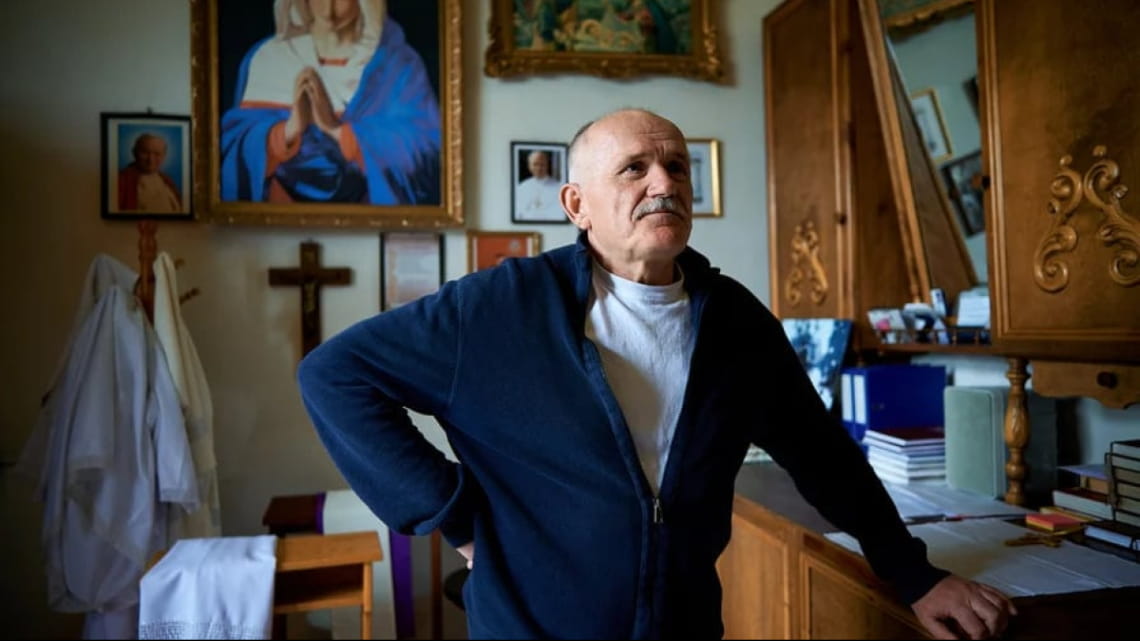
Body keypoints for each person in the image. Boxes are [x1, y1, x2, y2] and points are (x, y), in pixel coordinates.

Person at [297, 108, 1017, 639]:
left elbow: (823, 455)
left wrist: (914, 575)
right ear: (576, 205)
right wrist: (455, 515)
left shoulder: (736, 322)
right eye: (634, 168)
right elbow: (335, 375)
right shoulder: (500, 307)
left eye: (676, 166)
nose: (663, 182)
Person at [220, 0, 441, 205]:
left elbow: (426, 149)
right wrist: (289, 131)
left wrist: (339, 132)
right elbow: (233, 148)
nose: (328, 9)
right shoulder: (271, 58)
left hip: (368, 215)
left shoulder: (395, 63)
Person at [118, 133, 182, 213]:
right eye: (145, 153)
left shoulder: (167, 180)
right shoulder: (122, 181)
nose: (151, 159)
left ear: (164, 156)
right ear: (134, 153)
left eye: (157, 154)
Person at [514, 149, 564, 222]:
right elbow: (518, 213)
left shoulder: (558, 187)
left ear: (547, 165)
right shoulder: (522, 187)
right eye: (535, 164)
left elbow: (559, 215)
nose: (539, 168)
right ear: (529, 166)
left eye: (542, 164)